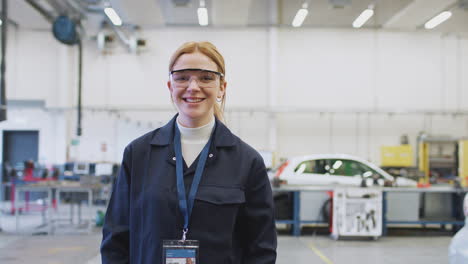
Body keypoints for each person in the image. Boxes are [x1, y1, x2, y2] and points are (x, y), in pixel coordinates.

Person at [101, 41, 277, 264]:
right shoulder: (138, 154)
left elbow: (261, 249)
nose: (193, 87)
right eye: (182, 77)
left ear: (222, 87)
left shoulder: (247, 161)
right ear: (170, 86)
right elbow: (115, 239)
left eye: (206, 78)